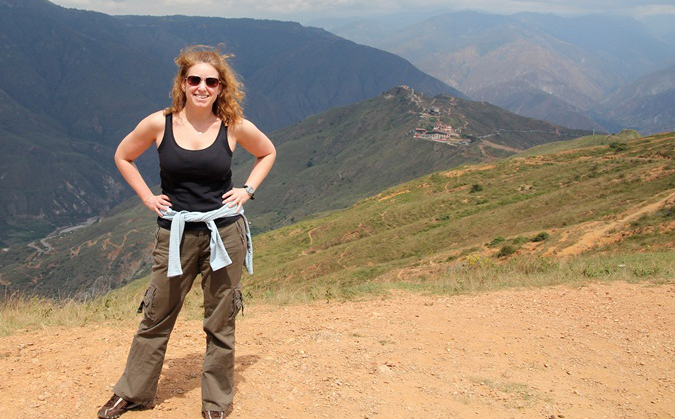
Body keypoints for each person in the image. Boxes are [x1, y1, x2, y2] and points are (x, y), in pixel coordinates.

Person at [97, 45, 276, 419]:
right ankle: (133, 393)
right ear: (182, 83)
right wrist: (147, 197)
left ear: (221, 87)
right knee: (156, 315)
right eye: (194, 80)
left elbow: (268, 152)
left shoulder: (232, 126)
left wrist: (248, 190)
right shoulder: (158, 124)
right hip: (175, 234)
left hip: (223, 233)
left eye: (211, 82)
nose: (202, 88)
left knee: (221, 320)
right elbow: (123, 156)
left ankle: (216, 403)